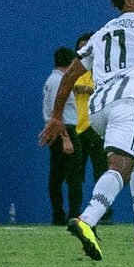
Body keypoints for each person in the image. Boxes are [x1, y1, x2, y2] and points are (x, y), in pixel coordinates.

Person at [50, 0, 134, 260]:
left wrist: (55, 116)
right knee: (120, 168)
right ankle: (87, 219)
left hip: (98, 108)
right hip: (130, 101)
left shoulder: (101, 33)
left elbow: (68, 77)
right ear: (130, 1)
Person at [40, 44, 92, 224]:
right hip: (65, 130)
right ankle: (72, 214)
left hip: (58, 130)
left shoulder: (52, 80)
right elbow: (58, 113)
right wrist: (66, 139)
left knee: (57, 175)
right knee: (73, 176)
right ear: (70, 62)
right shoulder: (58, 82)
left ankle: (60, 214)